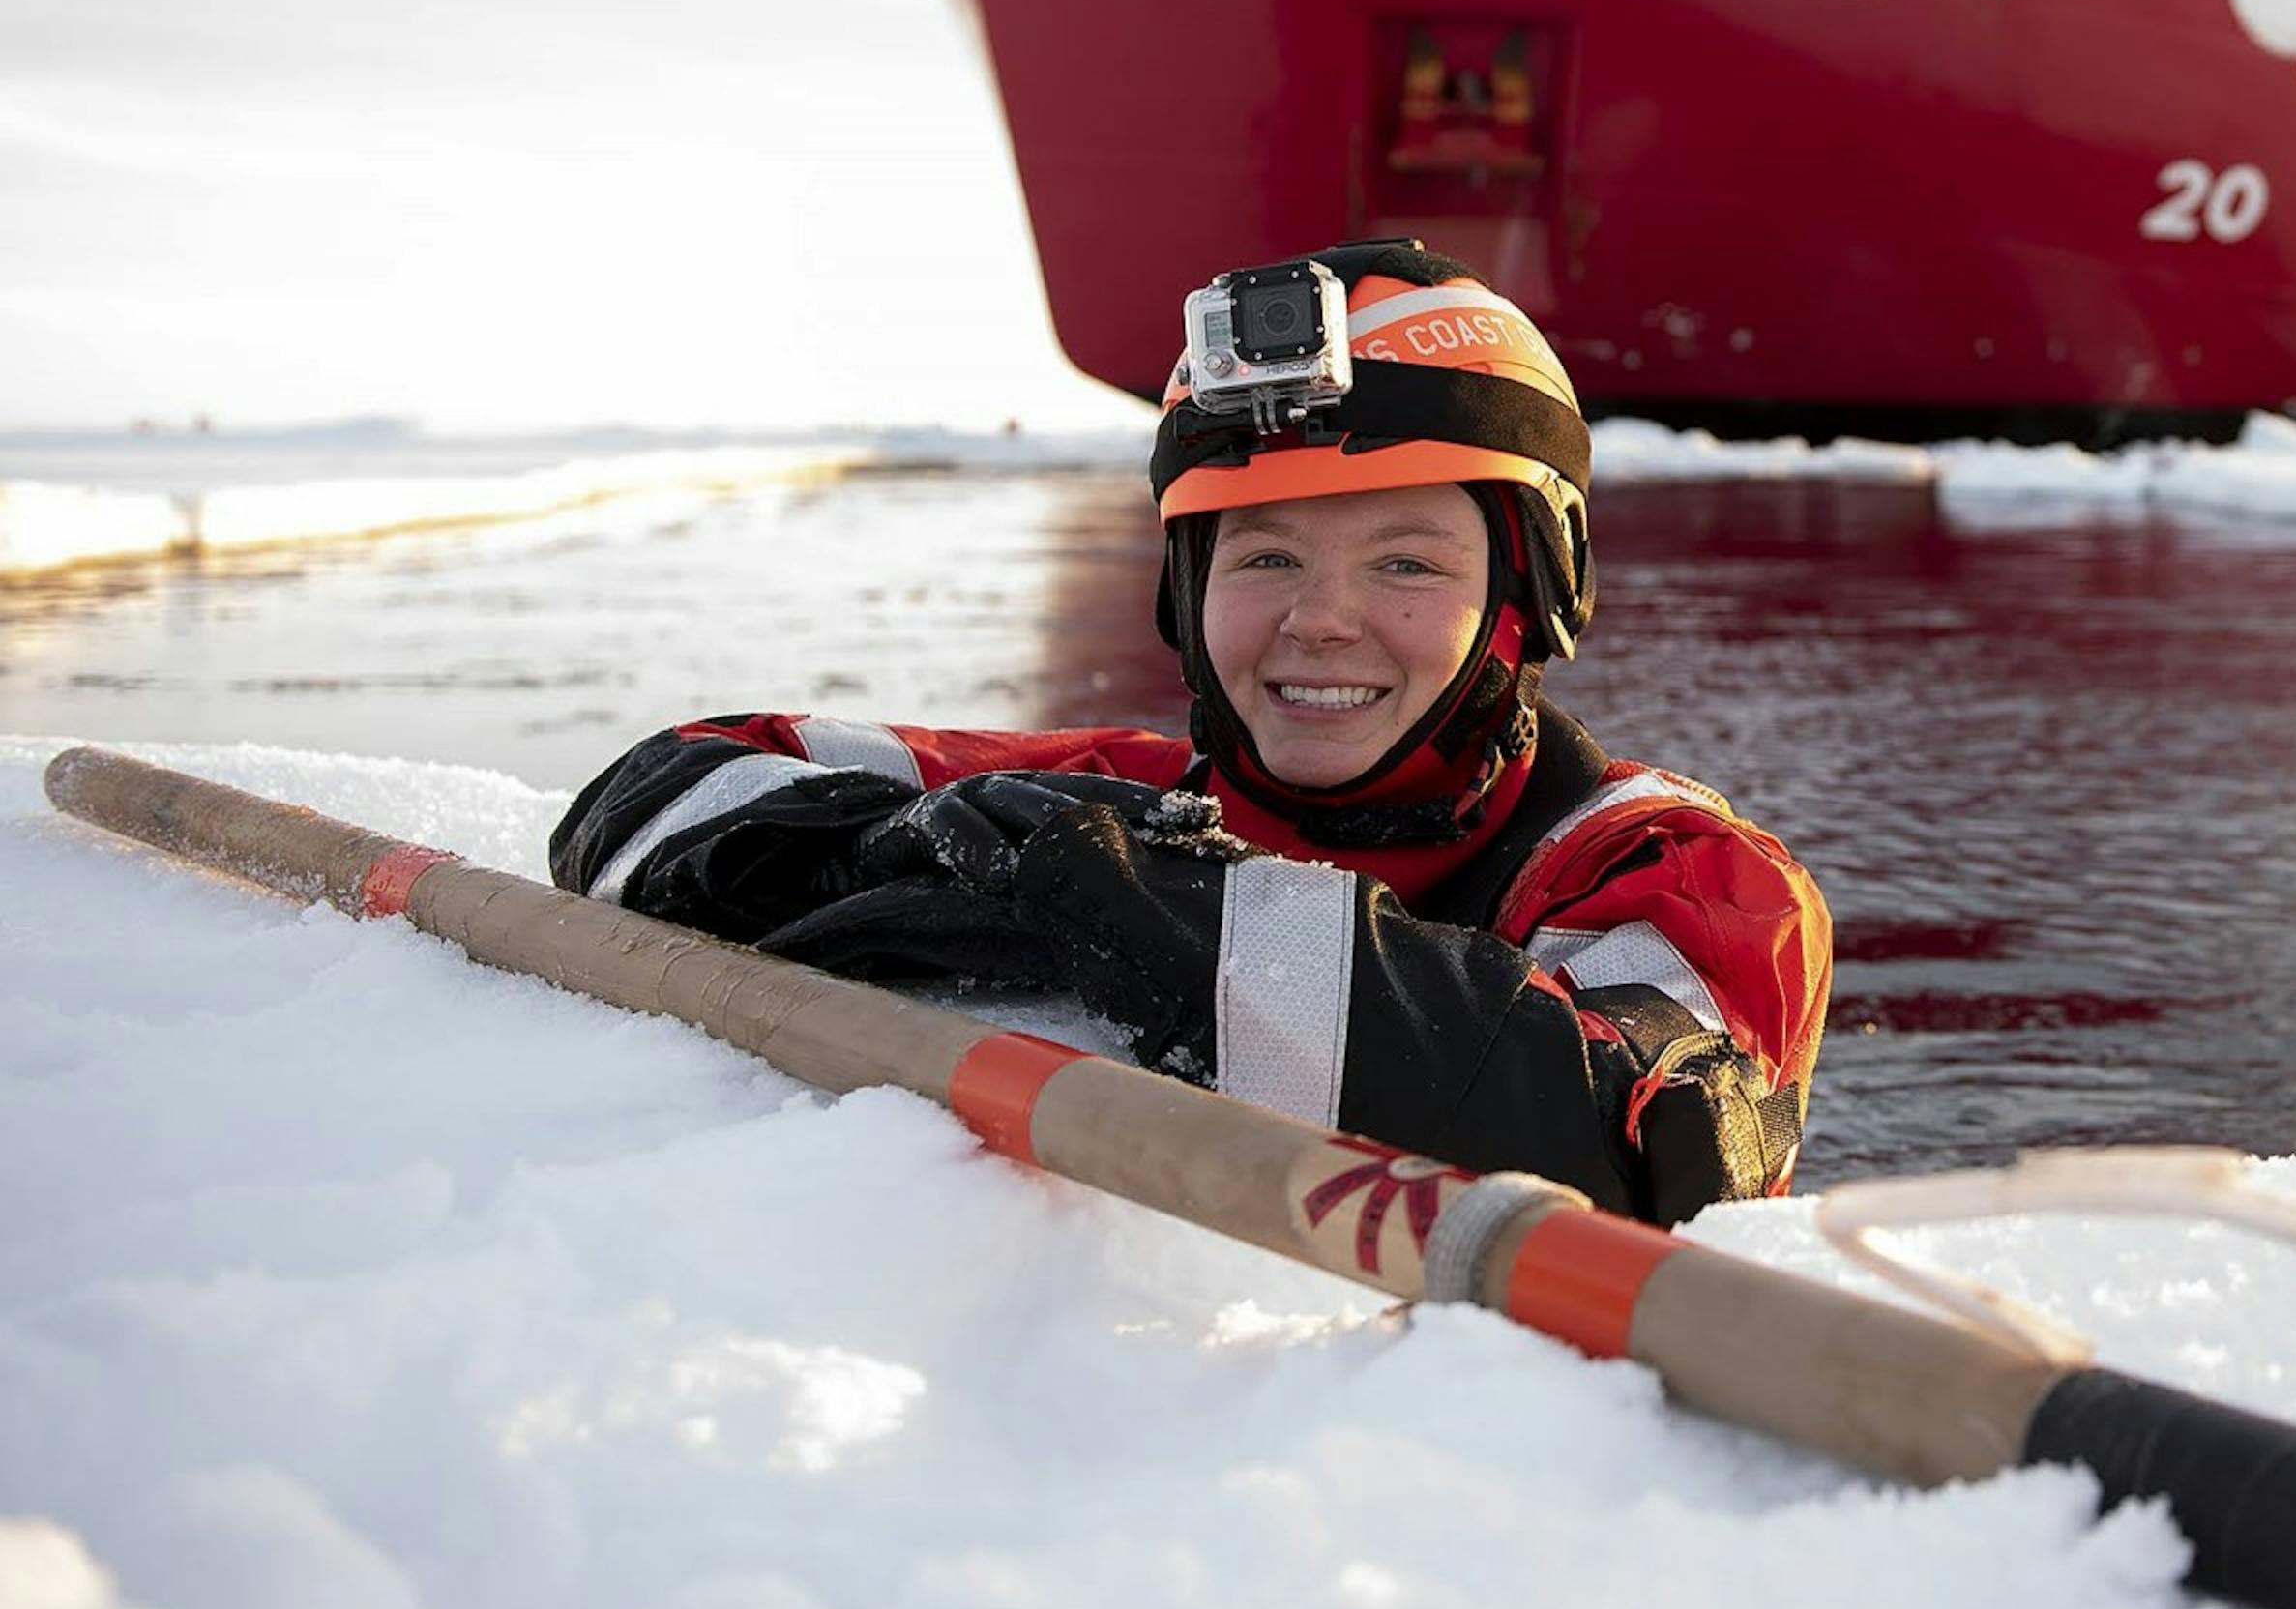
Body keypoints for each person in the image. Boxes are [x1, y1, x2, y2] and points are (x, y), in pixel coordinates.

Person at [545, 240, 1828, 1224]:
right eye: (1263, 553)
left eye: (1403, 563)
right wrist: (944, 864)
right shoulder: (1122, 799)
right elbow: (654, 797)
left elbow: (1648, 1139)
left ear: (1528, 595)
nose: (1322, 621)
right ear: (1182, 594)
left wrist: (1143, 911)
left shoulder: (1685, 872)